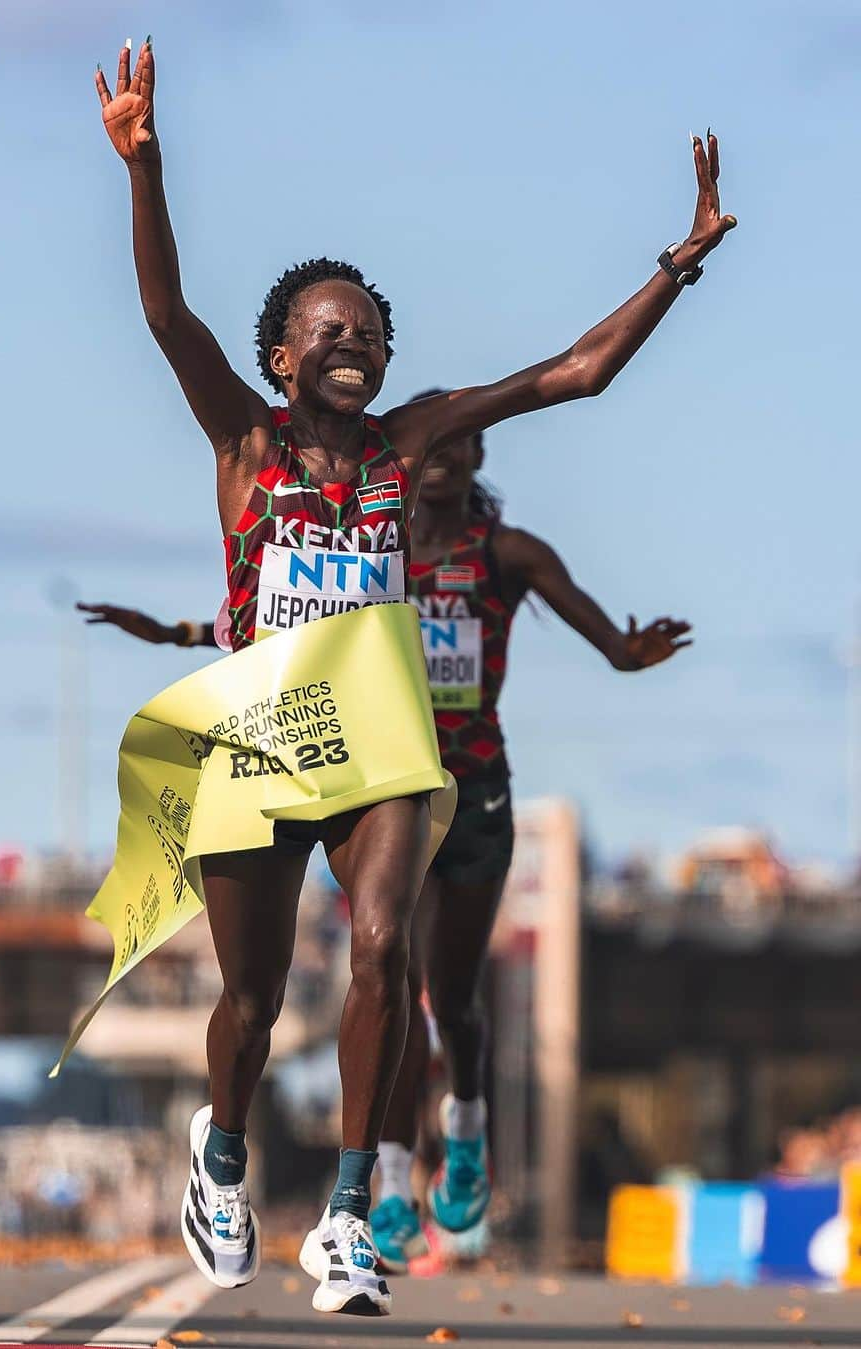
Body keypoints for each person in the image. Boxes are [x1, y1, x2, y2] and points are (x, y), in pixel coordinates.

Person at [92, 31, 734, 1315]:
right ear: (282, 354)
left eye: (372, 334)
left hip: (384, 744)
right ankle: (220, 1158)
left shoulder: (411, 439)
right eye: (332, 331)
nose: (356, 347)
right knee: (252, 998)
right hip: (263, 737)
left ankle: (346, 1214)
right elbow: (165, 314)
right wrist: (144, 166)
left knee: (384, 946)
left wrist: (678, 263)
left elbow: (575, 373)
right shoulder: (246, 437)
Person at [79, 407, 691, 1269]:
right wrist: (180, 632)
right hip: (370, 767)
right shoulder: (373, 527)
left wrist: (629, 650)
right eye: (428, 446)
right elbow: (284, 618)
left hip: (468, 787)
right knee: (382, 964)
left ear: (476, 456)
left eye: (456, 445)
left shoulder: (507, 556)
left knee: (453, 995)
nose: (437, 458)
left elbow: (607, 641)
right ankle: (388, 1179)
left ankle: (461, 1126)